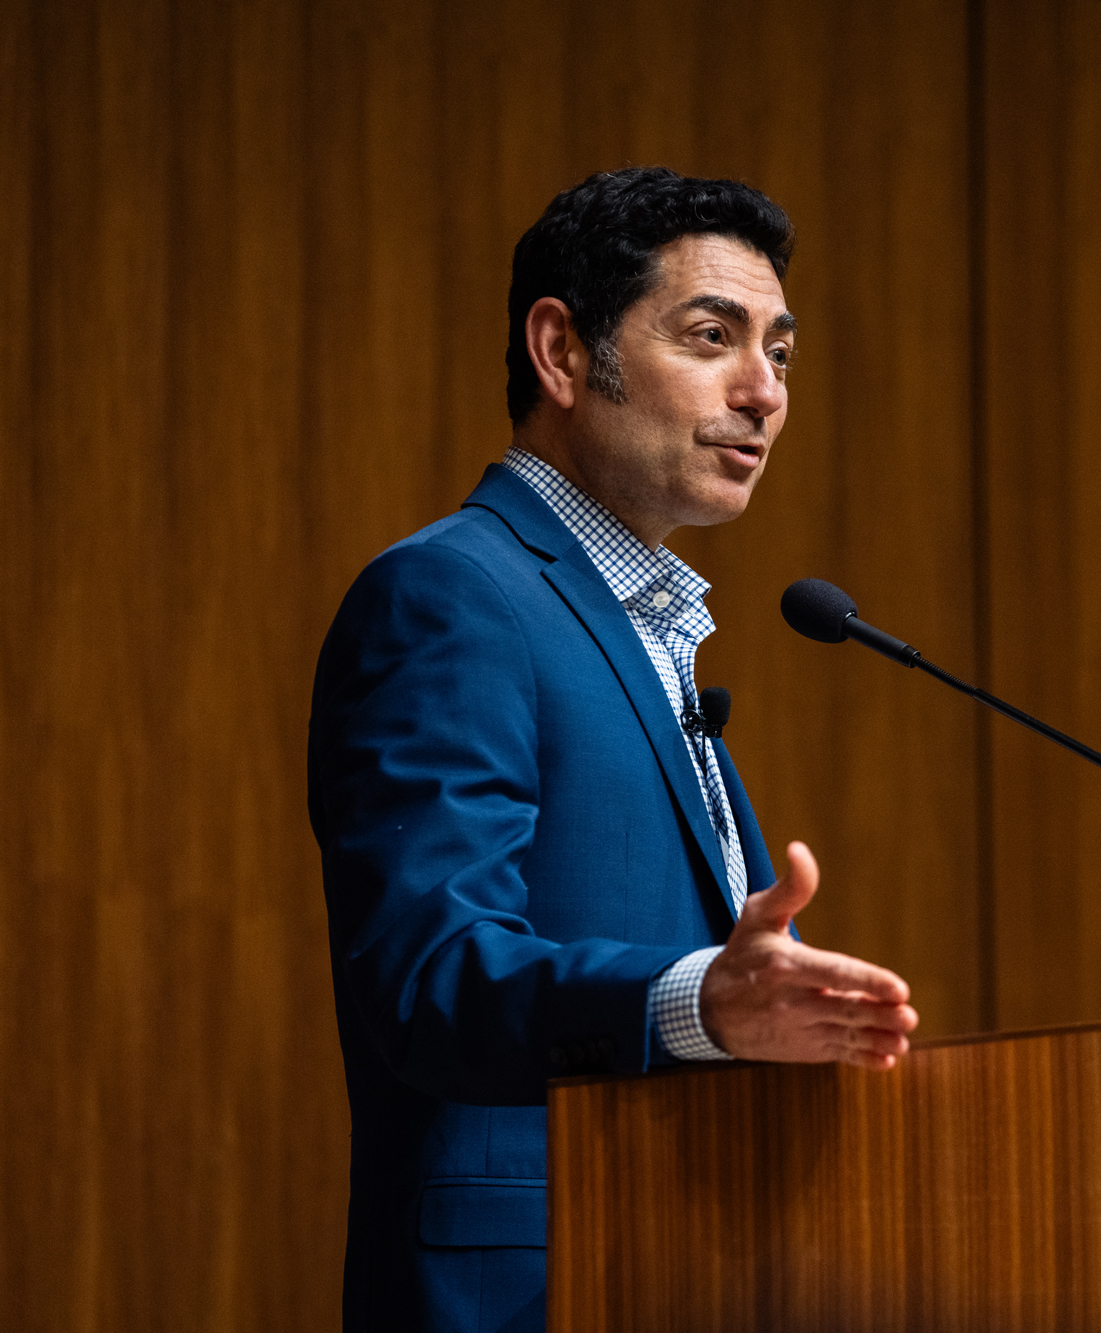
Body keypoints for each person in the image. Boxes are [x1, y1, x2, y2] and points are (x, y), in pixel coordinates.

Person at [306, 167, 920, 1333]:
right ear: (562, 351)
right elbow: (427, 976)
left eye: (781, 354)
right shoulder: (452, 596)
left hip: (682, 1272)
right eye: (712, 336)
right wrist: (699, 1000)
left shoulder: (644, 629)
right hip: (524, 1290)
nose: (763, 392)